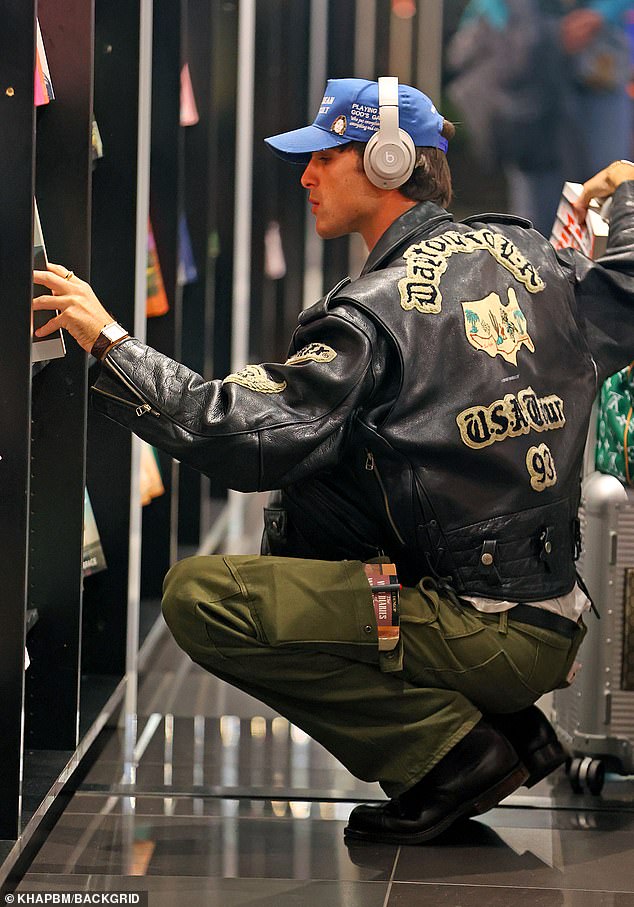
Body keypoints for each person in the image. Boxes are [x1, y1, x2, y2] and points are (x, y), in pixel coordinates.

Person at [33, 77, 634, 846]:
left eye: (326, 156)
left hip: (481, 630)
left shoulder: (377, 310)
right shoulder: (528, 257)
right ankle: (508, 727)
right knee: (310, 517)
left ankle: (453, 754)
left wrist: (110, 345)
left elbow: (244, 439)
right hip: (553, 617)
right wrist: (623, 194)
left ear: (387, 161)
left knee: (201, 595)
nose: (307, 176)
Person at [447, 0, 633, 235]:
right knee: (535, 201)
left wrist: (600, 15)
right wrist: (517, 26)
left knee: (609, 190)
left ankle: (610, 268)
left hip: (596, 60)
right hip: (532, 63)